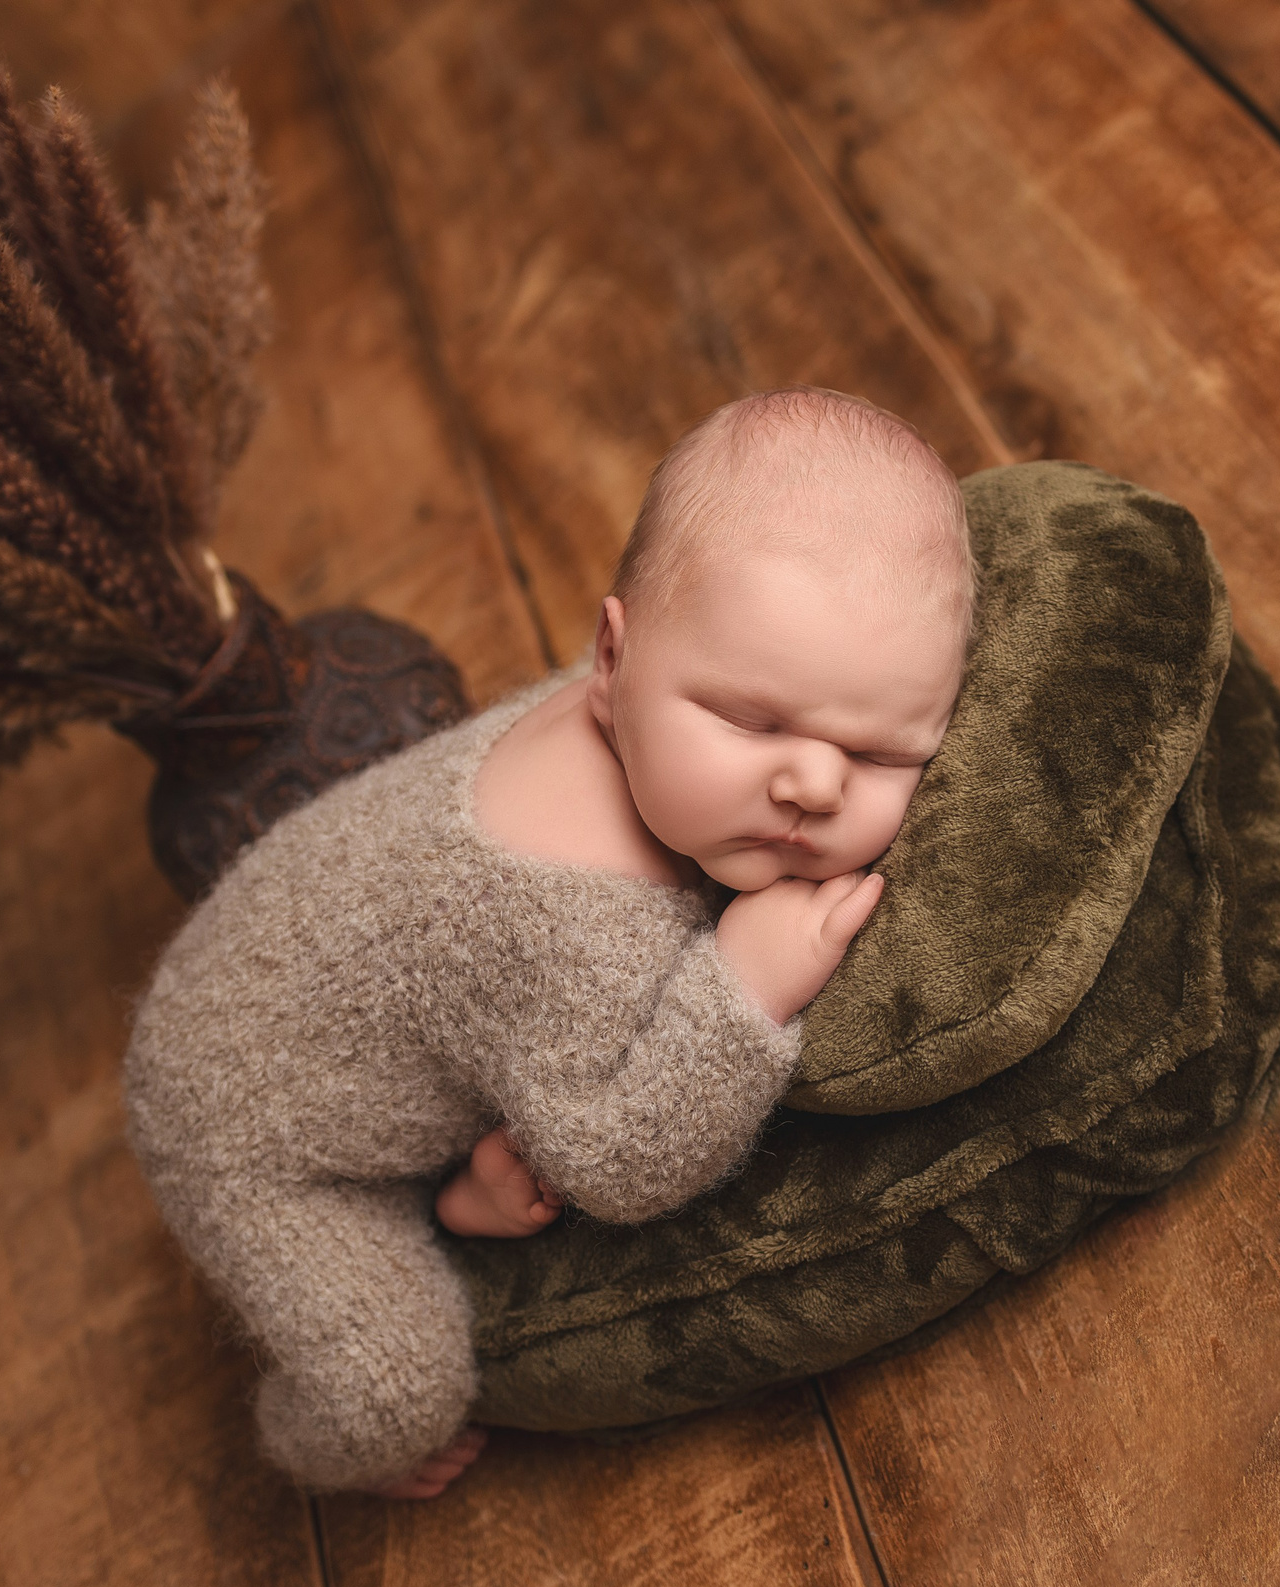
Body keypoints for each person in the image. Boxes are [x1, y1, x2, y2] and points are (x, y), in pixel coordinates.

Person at [123, 387, 974, 1497]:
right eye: (754, 723)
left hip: (323, 993)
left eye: (878, 752)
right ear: (610, 664)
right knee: (400, 1387)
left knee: (469, 1073)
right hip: (244, 1129)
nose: (812, 783)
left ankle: (451, 1197)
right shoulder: (570, 915)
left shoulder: (664, 719)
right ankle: (318, 1436)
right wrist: (742, 985)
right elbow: (614, 1161)